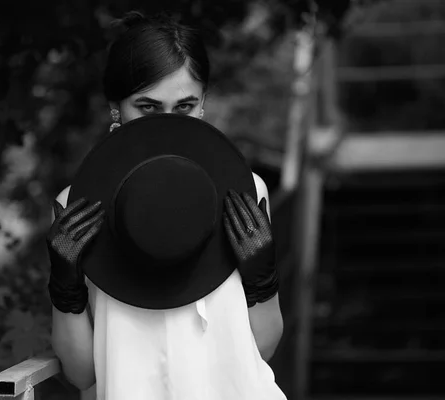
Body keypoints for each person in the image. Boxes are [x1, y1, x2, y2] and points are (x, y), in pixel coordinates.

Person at [46, 12, 285, 400]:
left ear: (204, 102)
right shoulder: (74, 209)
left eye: (185, 106)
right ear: (116, 107)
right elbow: (80, 374)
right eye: (148, 107)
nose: (168, 125)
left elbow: (265, 349)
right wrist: (65, 289)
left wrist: (262, 280)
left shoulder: (243, 192)